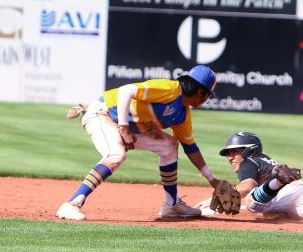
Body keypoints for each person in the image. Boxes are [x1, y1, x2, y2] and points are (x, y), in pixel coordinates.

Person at [58, 65, 227, 221]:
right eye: (207, 95)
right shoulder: (170, 89)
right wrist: (123, 129)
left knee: (169, 146)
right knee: (115, 155)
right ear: (200, 93)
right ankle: (71, 204)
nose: (206, 99)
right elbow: (126, 91)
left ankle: (171, 205)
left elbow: (191, 148)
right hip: (102, 114)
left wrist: (213, 181)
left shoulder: (182, 114)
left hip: (126, 125)